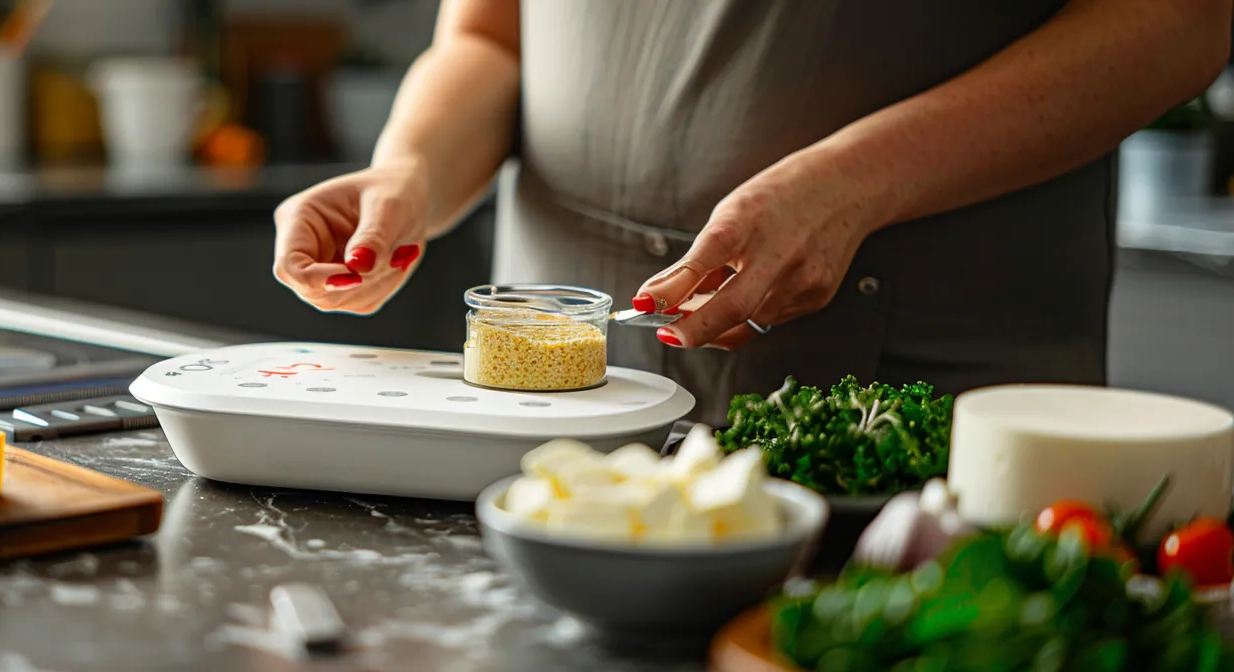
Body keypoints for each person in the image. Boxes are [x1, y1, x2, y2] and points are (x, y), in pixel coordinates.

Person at [272, 0, 1231, 422]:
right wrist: (409, 173)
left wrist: (858, 179)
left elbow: (1180, 18)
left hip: (906, 368)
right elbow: (489, 34)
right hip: (554, 400)